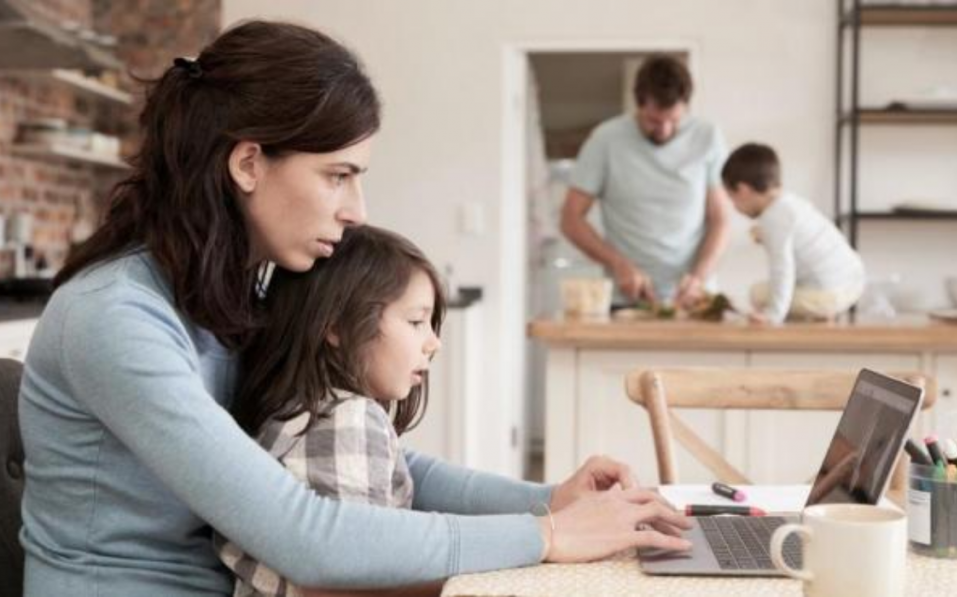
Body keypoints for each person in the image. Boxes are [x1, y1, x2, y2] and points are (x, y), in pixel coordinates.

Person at [18, 20, 692, 597]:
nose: (356, 210)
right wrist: (548, 535)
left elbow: (383, 458)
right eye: (337, 175)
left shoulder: (235, 292)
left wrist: (549, 499)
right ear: (249, 163)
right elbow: (304, 535)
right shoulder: (117, 319)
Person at [215, 225, 444, 596]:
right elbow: (347, 579)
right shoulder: (349, 418)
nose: (433, 342)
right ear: (336, 325)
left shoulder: (293, 410)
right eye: (416, 321)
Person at [560, 54, 730, 310]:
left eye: (674, 120)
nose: (664, 131)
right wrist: (618, 264)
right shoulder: (605, 140)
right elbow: (570, 219)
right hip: (625, 300)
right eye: (653, 121)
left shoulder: (708, 137)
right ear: (638, 105)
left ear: (686, 106)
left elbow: (720, 219)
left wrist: (699, 276)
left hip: (694, 299)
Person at [721, 143, 865, 325]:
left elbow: (782, 269)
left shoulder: (773, 219)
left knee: (757, 293)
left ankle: (817, 312)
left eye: (732, 198)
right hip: (853, 282)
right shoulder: (791, 204)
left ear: (743, 190)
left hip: (829, 295)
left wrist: (773, 315)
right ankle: (820, 313)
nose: (735, 207)